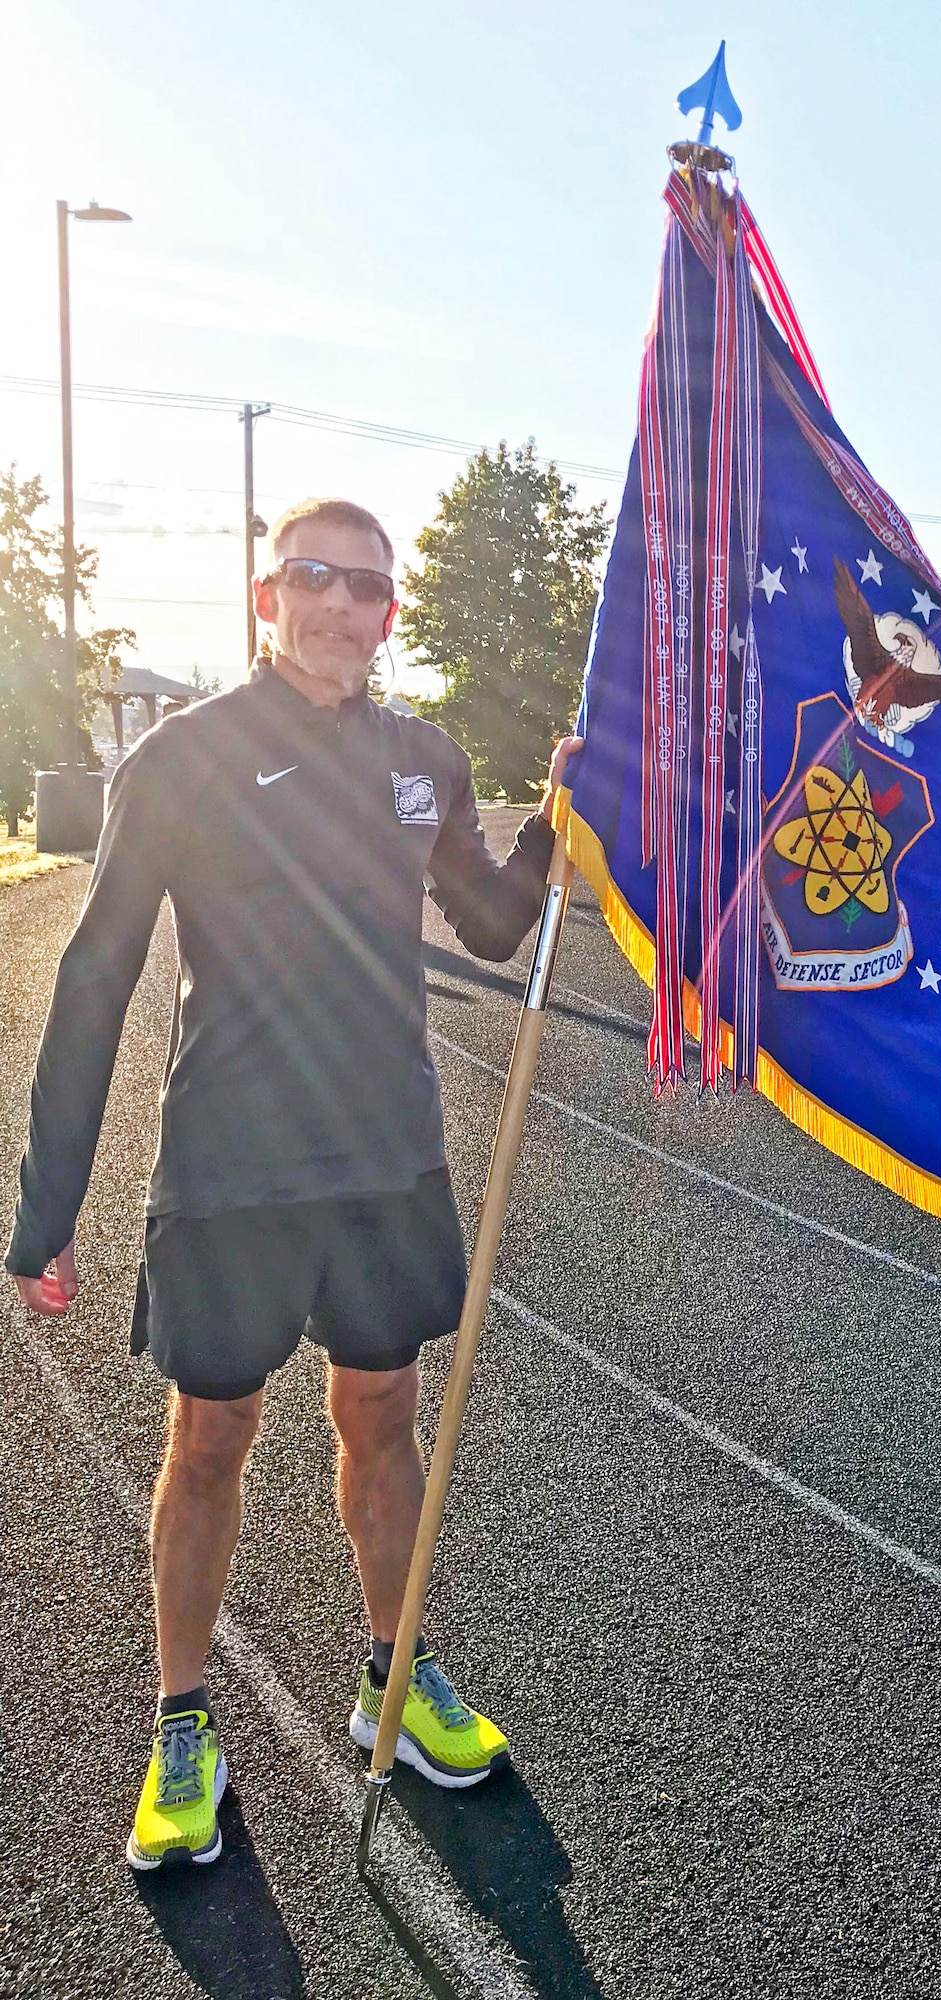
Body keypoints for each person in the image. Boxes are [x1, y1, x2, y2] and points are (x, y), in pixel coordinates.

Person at [7, 498, 577, 1871]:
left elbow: (496, 928)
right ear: (270, 598)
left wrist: (559, 820)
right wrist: (47, 1205)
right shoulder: (183, 759)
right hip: (231, 1170)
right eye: (314, 578)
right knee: (209, 1441)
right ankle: (183, 1722)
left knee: (383, 1416)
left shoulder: (424, 759)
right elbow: (97, 976)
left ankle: (393, 1673)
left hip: (387, 1159)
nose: (340, 605)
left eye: (366, 586)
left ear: (391, 612)